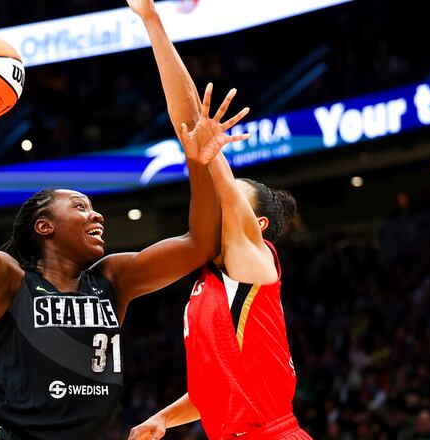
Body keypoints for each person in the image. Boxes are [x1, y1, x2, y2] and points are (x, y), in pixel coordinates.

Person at [0, 7, 250, 439]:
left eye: (91, 207)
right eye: (79, 206)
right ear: (44, 226)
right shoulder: (10, 281)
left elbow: (199, 243)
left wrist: (197, 161)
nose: (96, 215)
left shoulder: (113, 279)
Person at [127, 6, 304, 436]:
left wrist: (151, 19)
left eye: (234, 195)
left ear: (256, 224)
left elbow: (189, 122)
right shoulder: (209, 280)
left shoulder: (252, 259)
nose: (224, 195)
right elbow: (214, 390)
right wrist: (162, 419)